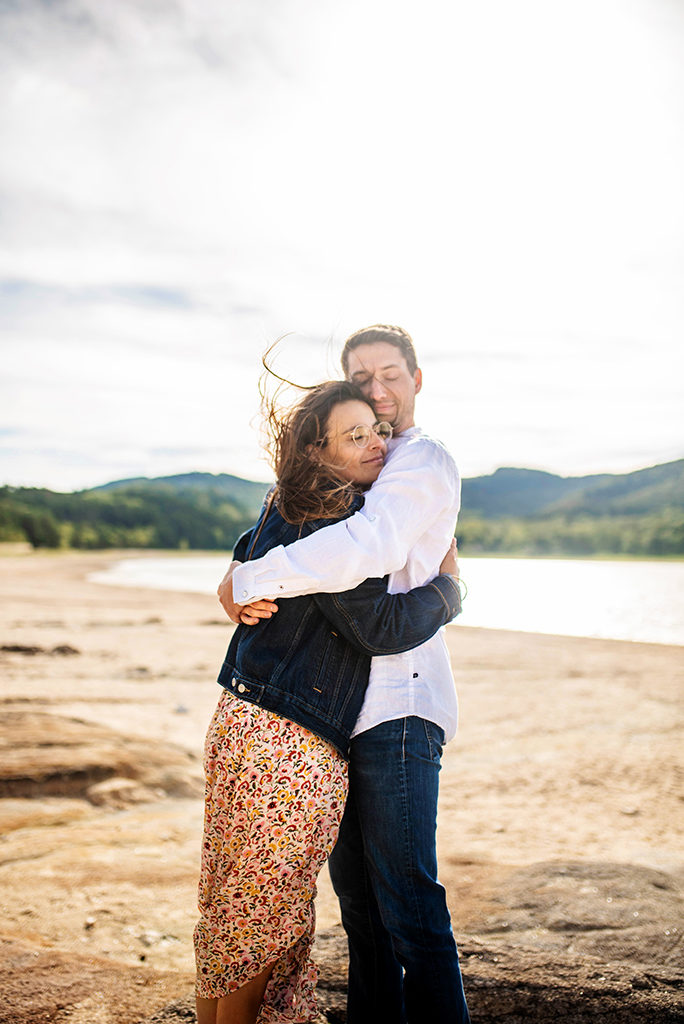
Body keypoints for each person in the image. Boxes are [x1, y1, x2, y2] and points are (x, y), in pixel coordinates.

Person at [218, 325, 470, 1024]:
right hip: (341, 716)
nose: (377, 390)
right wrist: (237, 570)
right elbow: (295, 516)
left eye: (390, 374)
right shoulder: (358, 466)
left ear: (417, 380)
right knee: (360, 913)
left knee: (410, 908)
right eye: (361, 378)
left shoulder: (419, 460)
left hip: (401, 706)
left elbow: (369, 546)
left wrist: (250, 577)